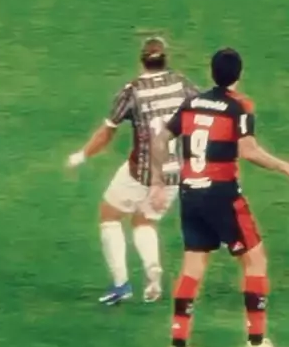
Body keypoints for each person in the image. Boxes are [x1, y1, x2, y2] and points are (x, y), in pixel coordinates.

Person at [149, 47, 289, 347]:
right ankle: (257, 342)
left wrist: (157, 182)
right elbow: (248, 150)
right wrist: (283, 166)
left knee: (193, 267)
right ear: (239, 74)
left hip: (190, 194)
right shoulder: (239, 106)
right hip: (222, 195)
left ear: (212, 72)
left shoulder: (192, 103)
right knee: (255, 260)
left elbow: (160, 140)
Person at [67, 37, 197, 304]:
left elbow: (107, 132)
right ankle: (152, 268)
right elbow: (205, 109)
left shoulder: (133, 91)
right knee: (144, 221)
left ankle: (121, 284)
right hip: (174, 173)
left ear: (142, 61)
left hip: (142, 171)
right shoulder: (182, 84)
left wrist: (82, 154)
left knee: (109, 215)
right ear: (165, 60)